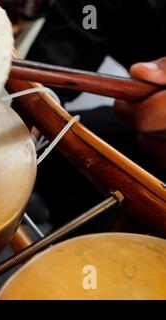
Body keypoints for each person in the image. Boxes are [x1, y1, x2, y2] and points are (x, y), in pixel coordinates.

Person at [23, 0, 166, 230]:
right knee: (61, 147)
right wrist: (40, 92)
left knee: (105, 242)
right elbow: (92, 13)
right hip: (144, 126)